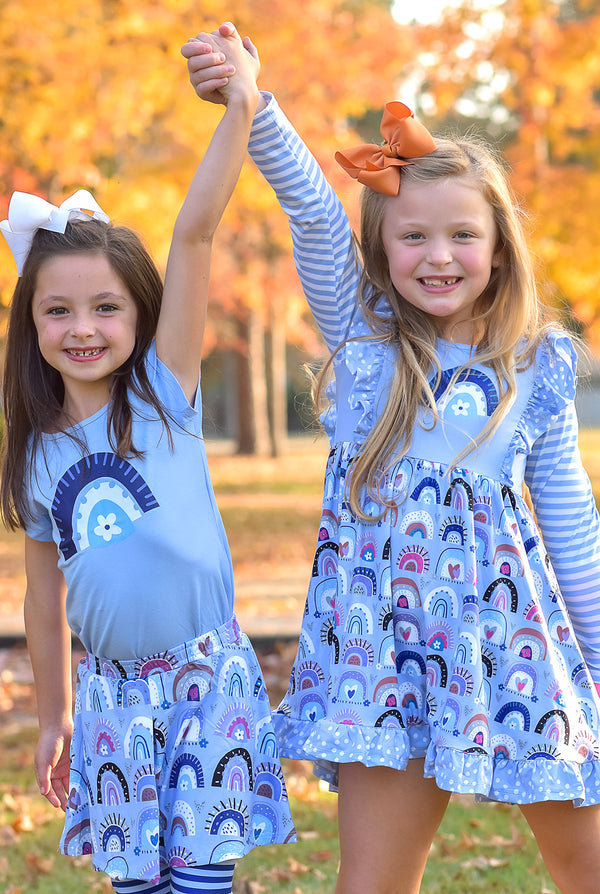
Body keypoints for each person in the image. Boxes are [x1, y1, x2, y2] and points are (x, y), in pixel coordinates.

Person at [182, 23, 600, 894]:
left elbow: (571, 525)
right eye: (411, 237)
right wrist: (253, 101)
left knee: (588, 859)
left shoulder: (538, 364)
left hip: (516, 653)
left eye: (461, 236)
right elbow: (308, 203)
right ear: (380, 248)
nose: (438, 256)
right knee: (373, 881)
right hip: (378, 656)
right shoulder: (363, 342)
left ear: (498, 245)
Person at [0, 27, 295, 894]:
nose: (82, 328)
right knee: (139, 883)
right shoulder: (35, 456)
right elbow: (43, 596)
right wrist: (53, 717)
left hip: (208, 678)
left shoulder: (163, 394)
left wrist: (240, 106)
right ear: (31, 327)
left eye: (104, 307)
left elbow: (195, 234)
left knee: (201, 879)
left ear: (139, 317)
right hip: (113, 699)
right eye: (57, 311)